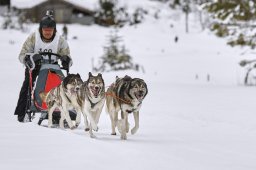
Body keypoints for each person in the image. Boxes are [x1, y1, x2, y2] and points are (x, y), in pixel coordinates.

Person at [14, 10, 73, 122]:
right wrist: (30, 57)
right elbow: (22, 55)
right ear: (41, 29)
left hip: (53, 66)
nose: (47, 32)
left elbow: (68, 56)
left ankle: (62, 108)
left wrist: (66, 60)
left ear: (54, 30)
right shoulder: (33, 38)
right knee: (27, 84)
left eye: (50, 30)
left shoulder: (60, 41)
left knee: (63, 84)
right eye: (45, 30)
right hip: (35, 66)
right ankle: (22, 112)